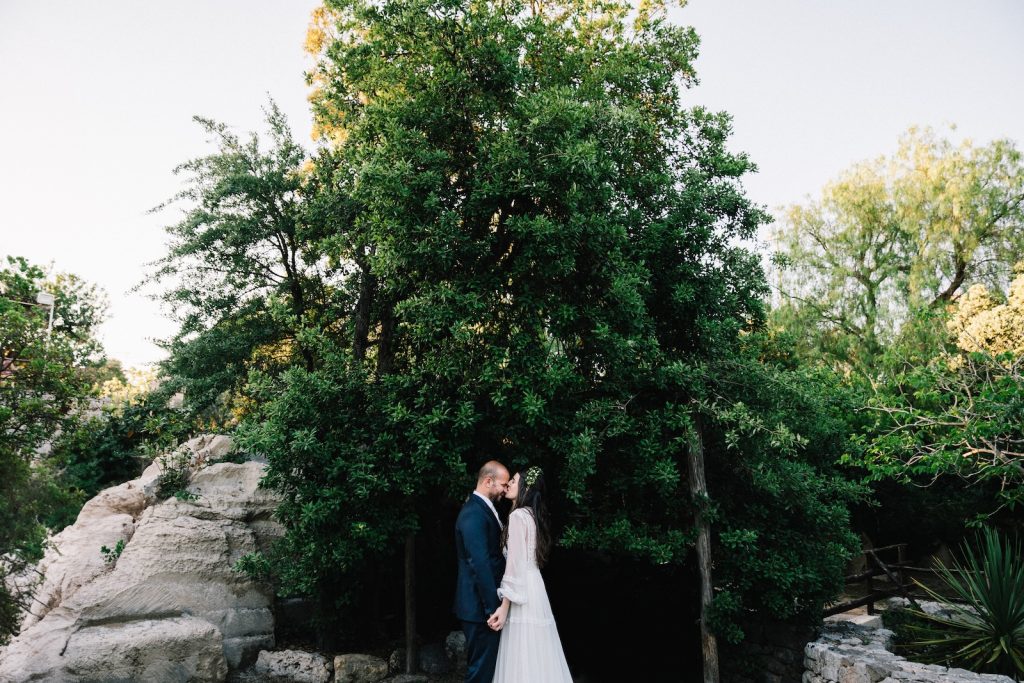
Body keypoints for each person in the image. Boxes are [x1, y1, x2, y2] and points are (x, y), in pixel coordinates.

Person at [487, 466, 573, 682]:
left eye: (514, 481)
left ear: (525, 488)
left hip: (522, 589)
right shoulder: (532, 515)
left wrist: (504, 607)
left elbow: (514, 567)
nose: (508, 485)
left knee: (521, 652)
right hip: (535, 587)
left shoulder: (517, 516)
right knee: (537, 651)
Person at [454, 460, 510, 683]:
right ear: (488, 481)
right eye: (503, 485)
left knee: (487, 671)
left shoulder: (484, 508)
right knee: (480, 674)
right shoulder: (473, 514)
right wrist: (493, 609)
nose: (505, 491)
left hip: (482, 607)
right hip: (480, 609)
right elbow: (480, 564)